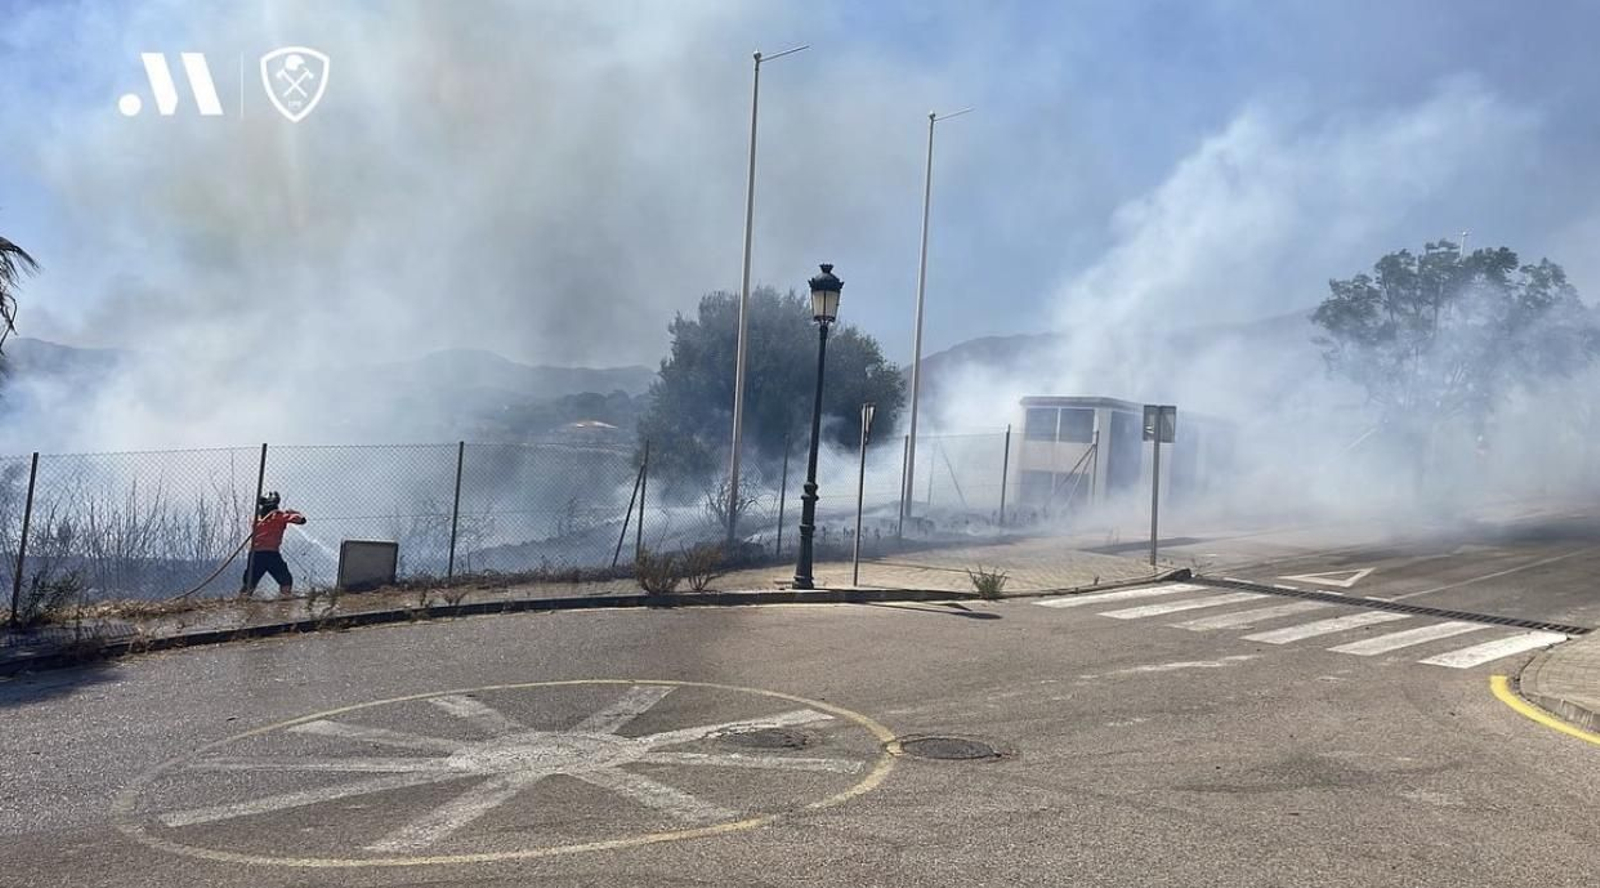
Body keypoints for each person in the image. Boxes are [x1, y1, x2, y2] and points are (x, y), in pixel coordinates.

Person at [243, 491, 307, 600]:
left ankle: (242, 602)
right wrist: (294, 512)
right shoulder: (279, 516)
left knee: (249, 585)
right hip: (271, 554)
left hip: (255, 555)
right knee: (286, 580)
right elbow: (301, 520)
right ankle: (284, 602)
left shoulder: (256, 519)